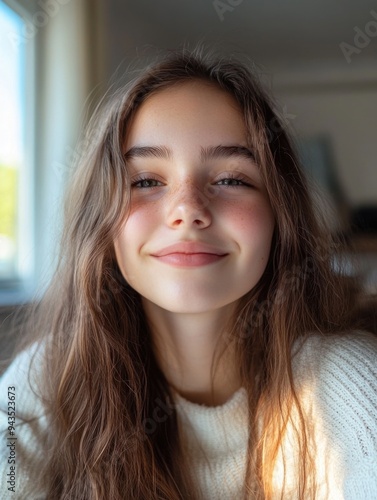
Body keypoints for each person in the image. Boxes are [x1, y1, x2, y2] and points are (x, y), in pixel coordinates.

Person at [1, 47, 377, 500]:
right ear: (98, 223)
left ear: (281, 215)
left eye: (231, 179)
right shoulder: (41, 383)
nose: (187, 211)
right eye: (145, 181)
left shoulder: (351, 382)